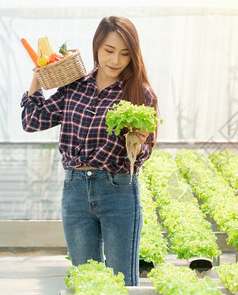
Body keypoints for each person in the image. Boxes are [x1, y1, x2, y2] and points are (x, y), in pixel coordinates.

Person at [20, 16, 158, 286]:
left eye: (124, 53)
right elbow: (31, 121)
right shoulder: (75, 86)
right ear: (96, 47)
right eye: (109, 50)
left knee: (123, 284)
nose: (115, 60)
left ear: (133, 55)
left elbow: (143, 155)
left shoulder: (140, 94)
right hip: (75, 192)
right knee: (86, 282)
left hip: (118, 191)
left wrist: (139, 143)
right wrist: (38, 73)